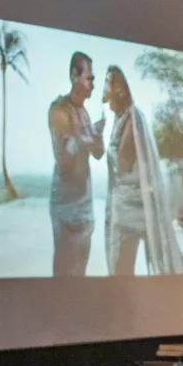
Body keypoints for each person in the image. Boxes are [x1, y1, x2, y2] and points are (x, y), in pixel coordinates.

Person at [103, 65, 183, 275]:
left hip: (132, 206)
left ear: (117, 89)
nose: (103, 88)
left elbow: (123, 163)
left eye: (107, 82)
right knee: (122, 264)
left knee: (123, 265)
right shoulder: (121, 119)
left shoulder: (131, 118)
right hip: (125, 203)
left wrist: (100, 143)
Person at [48, 51, 105, 276]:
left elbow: (99, 153)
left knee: (80, 274)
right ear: (74, 75)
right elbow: (63, 158)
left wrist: (96, 136)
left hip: (84, 205)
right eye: (90, 78)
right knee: (62, 274)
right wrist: (88, 136)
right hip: (65, 206)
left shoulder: (84, 113)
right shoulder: (58, 109)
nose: (93, 83)